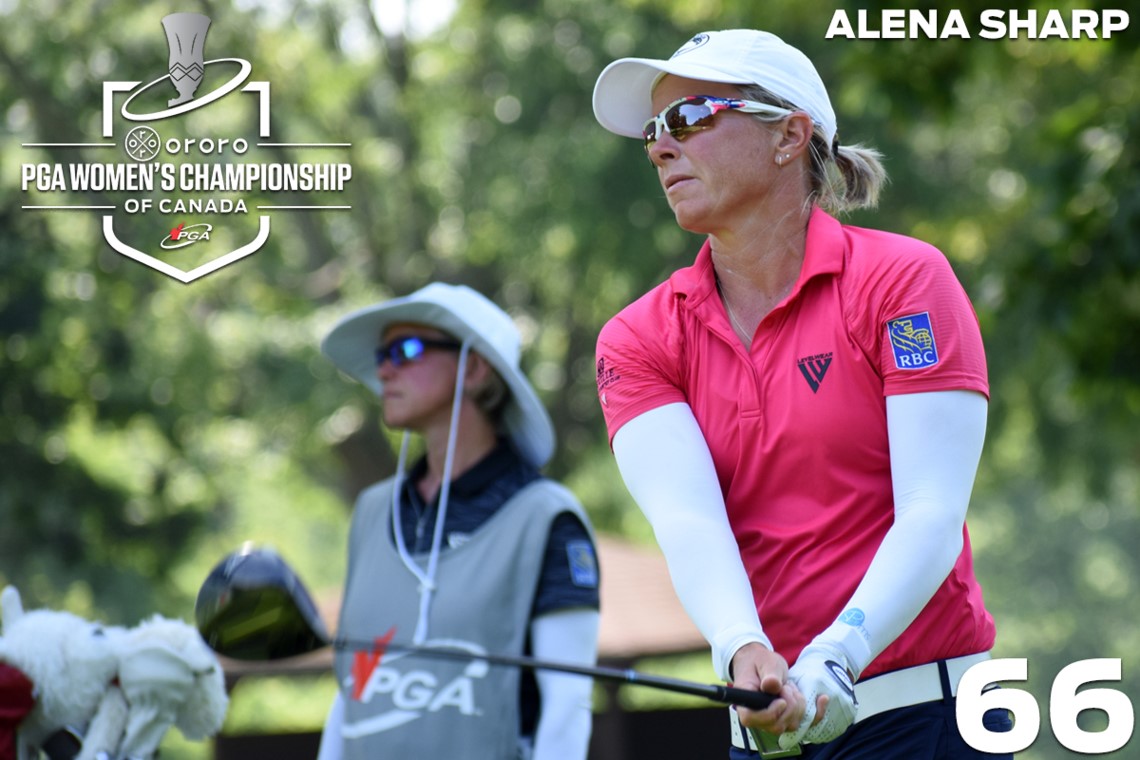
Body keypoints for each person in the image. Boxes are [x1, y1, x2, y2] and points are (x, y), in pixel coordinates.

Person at [590, 29, 1010, 759]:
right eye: (655, 130)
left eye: (689, 118)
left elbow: (931, 513)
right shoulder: (637, 338)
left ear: (789, 135)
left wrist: (838, 653)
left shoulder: (903, 283)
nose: (660, 146)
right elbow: (690, 521)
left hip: (927, 718)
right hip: (768, 727)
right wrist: (739, 644)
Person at [315, 282, 600, 760]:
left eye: (406, 349)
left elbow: (567, 705)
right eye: (383, 354)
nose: (384, 368)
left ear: (474, 368)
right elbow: (351, 694)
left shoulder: (545, 518)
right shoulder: (371, 512)